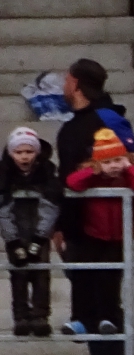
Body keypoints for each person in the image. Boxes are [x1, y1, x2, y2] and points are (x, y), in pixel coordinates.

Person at [53, 58, 134, 355]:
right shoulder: (70, 127)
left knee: (107, 301)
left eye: (67, 80)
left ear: (76, 84)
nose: (64, 86)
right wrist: (60, 226)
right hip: (77, 229)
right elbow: (65, 182)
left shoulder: (110, 118)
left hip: (107, 229)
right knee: (86, 302)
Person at [0, 127, 62, 337]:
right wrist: (12, 240)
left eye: (29, 151)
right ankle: (21, 316)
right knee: (18, 272)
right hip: (16, 228)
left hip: (39, 230)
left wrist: (40, 237)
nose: (24, 156)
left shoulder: (46, 172)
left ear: (36, 152)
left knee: (41, 273)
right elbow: (3, 210)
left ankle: (40, 316)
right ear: (10, 153)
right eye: (19, 152)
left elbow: (50, 205)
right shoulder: (4, 174)